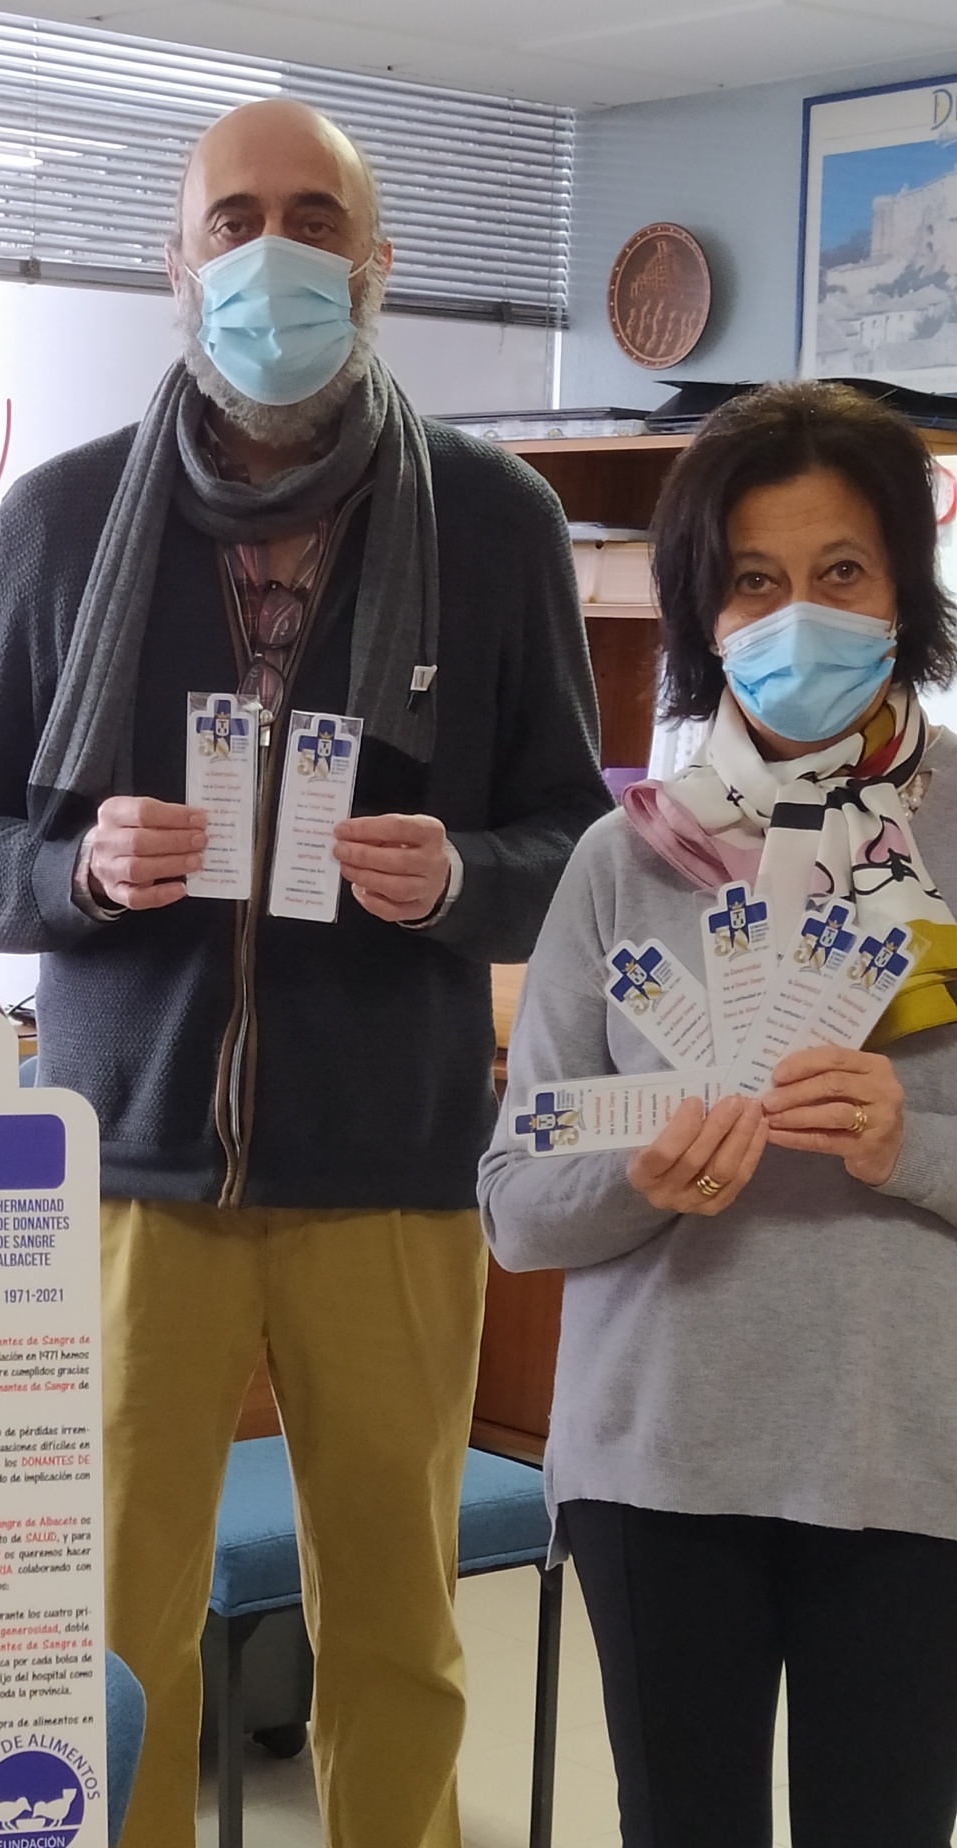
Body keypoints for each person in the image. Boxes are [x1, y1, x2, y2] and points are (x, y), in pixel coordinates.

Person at [0, 99, 610, 1848]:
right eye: (236, 218)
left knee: (398, 1631)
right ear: (178, 257)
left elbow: (572, 843)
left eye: (315, 218)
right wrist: (74, 868)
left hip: (392, 1170)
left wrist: (463, 877)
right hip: (125, 1172)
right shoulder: (65, 517)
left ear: (375, 264)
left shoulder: (499, 520)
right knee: (111, 1628)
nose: (274, 252)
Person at [479, 381, 957, 1848]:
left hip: (911, 1460)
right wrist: (641, 1177)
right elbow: (513, 1207)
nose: (797, 615)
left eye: (841, 571)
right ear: (702, 609)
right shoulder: (624, 860)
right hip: (657, 1465)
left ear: (905, 592)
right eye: (754, 579)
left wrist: (912, 1144)